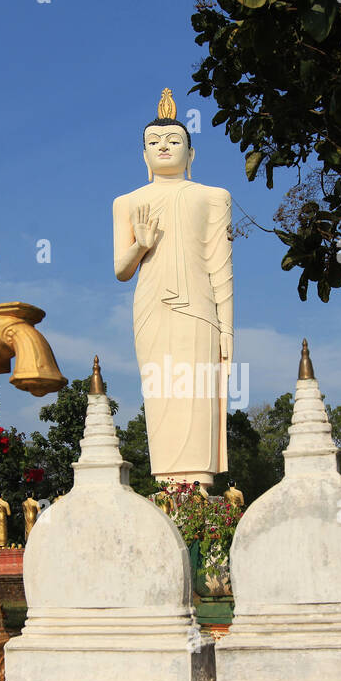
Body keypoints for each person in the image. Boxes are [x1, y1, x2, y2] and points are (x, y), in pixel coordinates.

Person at [113, 88, 232, 487]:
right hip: (152, 305)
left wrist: (228, 328)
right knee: (161, 391)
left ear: (192, 154)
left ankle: (198, 485)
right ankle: (166, 484)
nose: (163, 147)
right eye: (154, 142)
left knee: (196, 392)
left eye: (174, 140)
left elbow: (220, 265)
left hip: (199, 307)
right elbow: (121, 270)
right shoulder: (126, 201)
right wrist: (141, 244)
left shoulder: (213, 196)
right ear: (143, 156)